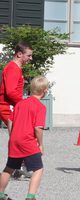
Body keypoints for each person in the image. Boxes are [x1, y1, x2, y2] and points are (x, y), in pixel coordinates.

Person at [0, 76, 49, 200]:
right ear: (45, 90)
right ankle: (30, 196)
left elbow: (10, 121)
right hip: (28, 142)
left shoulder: (20, 104)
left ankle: (0, 194)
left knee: (9, 168)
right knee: (38, 169)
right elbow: (38, 128)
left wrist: (12, 136)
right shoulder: (40, 107)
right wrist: (41, 144)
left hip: (15, 141)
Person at [0, 41, 33, 179]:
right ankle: (15, 168)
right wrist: (24, 103)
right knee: (17, 138)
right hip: (8, 108)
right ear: (19, 54)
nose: (30, 58)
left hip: (11, 107)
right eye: (29, 55)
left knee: (17, 137)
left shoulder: (15, 68)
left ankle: (17, 167)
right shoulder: (13, 68)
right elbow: (11, 92)